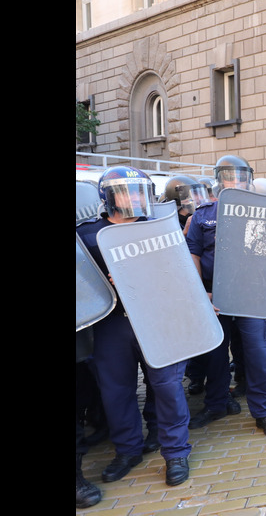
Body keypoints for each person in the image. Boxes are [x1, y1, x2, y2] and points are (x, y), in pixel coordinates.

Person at [76, 166, 192, 486]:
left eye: (138, 192)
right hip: (111, 324)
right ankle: (128, 450)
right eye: (125, 192)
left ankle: (176, 452)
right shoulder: (86, 235)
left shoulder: (157, 228)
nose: (132, 199)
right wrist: (106, 283)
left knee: (167, 386)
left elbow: (177, 275)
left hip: (155, 319)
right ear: (109, 197)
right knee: (116, 391)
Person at [186, 155, 266, 437]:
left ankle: (264, 412)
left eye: (239, 176)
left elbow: (265, 252)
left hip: (251, 294)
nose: (234, 181)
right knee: (215, 354)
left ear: (248, 179)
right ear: (220, 181)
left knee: (258, 352)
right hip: (214, 295)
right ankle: (216, 404)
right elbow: (193, 252)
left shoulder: (259, 211)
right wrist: (200, 292)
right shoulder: (203, 214)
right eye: (228, 177)